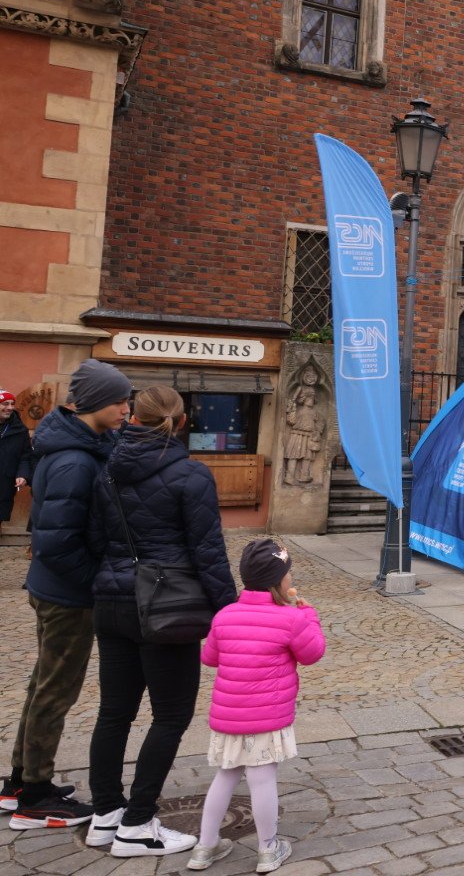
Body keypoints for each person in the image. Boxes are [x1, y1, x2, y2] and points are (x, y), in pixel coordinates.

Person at [85, 385, 237, 857]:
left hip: (113, 600)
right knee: (170, 715)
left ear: (134, 417)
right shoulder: (191, 474)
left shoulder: (107, 469)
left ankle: (105, 815)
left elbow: (95, 538)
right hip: (167, 604)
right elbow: (207, 551)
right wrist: (228, 611)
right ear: (183, 421)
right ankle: (136, 823)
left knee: (114, 712)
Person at [4, 360, 130, 830]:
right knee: (55, 691)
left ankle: (20, 782)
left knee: (43, 685)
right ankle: (35, 797)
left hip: (56, 589)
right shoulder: (75, 461)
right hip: (67, 597)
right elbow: (57, 543)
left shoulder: (80, 446)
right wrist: (93, 583)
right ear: (94, 403)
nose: (126, 409)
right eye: (119, 401)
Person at [188, 540, 325, 872]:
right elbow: (312, 653)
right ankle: (267, 849)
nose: (291, 577)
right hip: (266, 716)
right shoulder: (291, 618)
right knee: (262, 780)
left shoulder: (225, 615)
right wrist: (309, 615)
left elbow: (209, 657)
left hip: (229, 716)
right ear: (278, 580)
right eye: (288, 572)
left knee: (226, 776)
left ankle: (205, 847)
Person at [0, 389, 32, 527]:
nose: (10, 408)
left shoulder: (20, 430)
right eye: (5, 403)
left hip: (4, 485)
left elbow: (25, 456)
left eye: (12, 404)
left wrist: (22, 474)